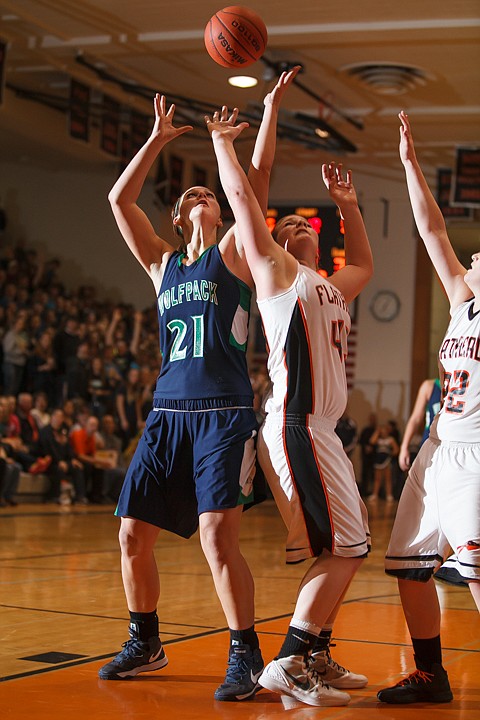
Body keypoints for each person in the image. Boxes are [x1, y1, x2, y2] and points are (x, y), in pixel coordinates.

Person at [97, 68, 300, 703]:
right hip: (168, 411)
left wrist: (265, 115)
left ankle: (245, 653)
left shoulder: (235, 252)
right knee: (131, 532)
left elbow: (256, 184)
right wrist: (157, 139)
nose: (200, 195)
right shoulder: (164, 264)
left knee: (218, 534)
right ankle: (145, 640)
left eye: (208, 192)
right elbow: (118, 202)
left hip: (224, 411)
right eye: (189, 195)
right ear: (181, 214)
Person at [207, 106, 373, 706]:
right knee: (349, 548)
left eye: (310, 222)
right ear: (273, 242)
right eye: (290, 223)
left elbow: (363, 265)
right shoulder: (276, 273)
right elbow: (245, 196)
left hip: (322, 428)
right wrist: (224, 144)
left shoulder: (328, 282)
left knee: (344, 546)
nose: (301, 222)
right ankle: (287, 660)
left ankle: (316, 657)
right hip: (296, 423)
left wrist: (349, 205)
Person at [377, 111, 480, 705]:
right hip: (436, 451)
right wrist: (412, 165)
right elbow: (432, 231)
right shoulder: (462, 301)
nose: (474, 260)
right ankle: (430, 672)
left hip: (474, 456)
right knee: (411, 567)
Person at [398, 378, 441, 472]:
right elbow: (415, 419)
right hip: (430, 444)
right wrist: (404, 446)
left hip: (451, 446)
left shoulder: (464, 387)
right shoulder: (429, 386)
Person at [367, 423, 399, 502]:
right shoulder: (378, 439)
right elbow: (371, 441)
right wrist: (377, 432)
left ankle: (389, 495)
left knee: (387, 478)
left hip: (387, 460)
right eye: (382, 431)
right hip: (378, 459)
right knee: (377, 478)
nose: (383, 432)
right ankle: (375, 494)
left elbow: (396, 450)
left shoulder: (391, 439)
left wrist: (390, 454)